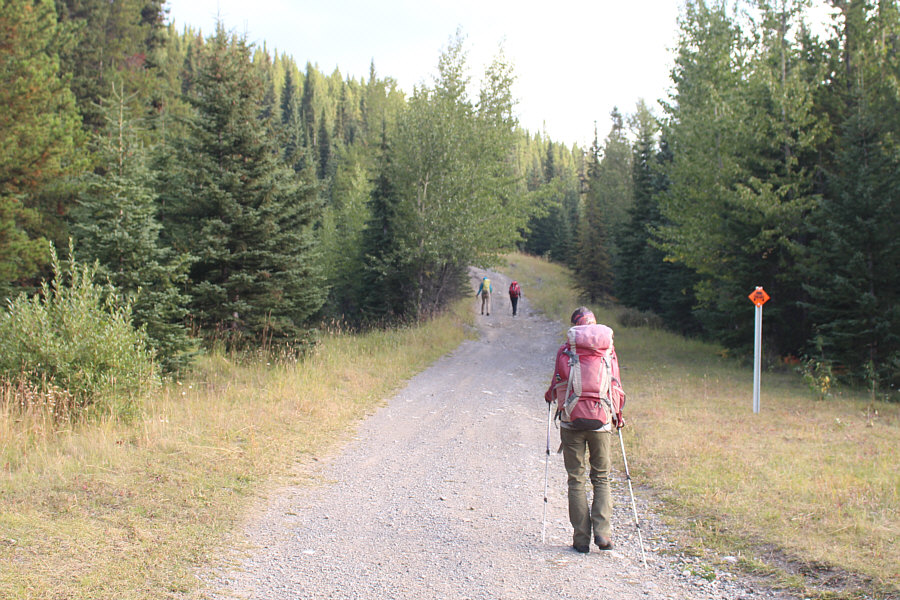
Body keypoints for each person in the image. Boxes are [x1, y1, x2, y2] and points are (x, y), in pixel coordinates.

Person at [544, 307, 626, 554]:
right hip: (601, 421)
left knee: (576, 479)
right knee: (601, 477)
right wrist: (618, 416)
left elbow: (556, 383)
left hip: (571, 420)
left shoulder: (566, 350)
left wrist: (549, 397)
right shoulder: (608, 350)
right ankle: (603, 533)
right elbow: (616, 385)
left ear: (575, 326)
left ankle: (581, 539)